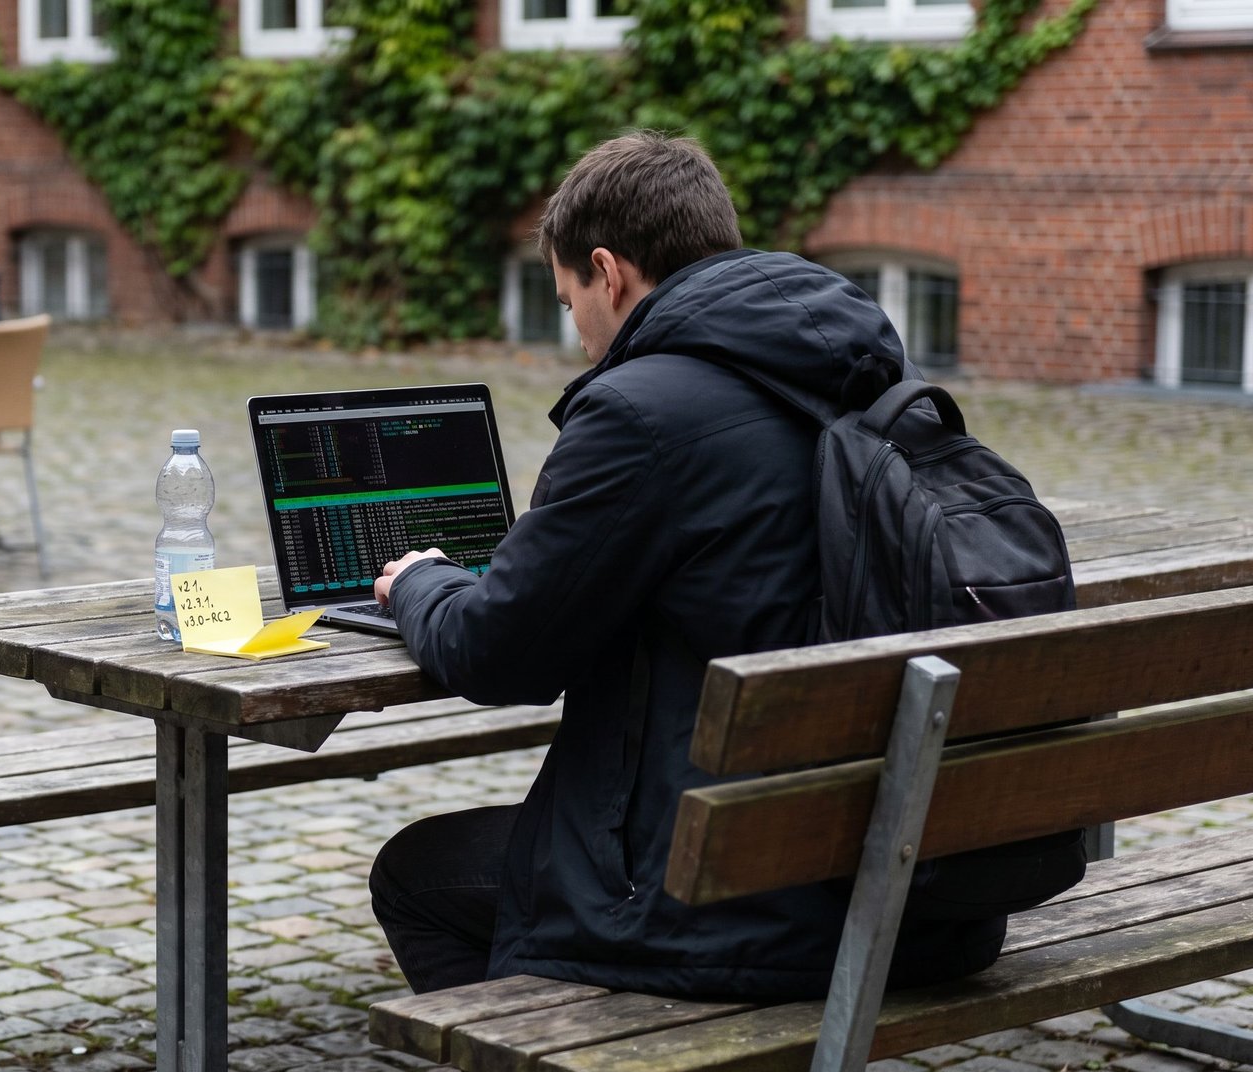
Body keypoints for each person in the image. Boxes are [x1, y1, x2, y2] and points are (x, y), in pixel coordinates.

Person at [367, 131, 1004, 1004]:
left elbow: (495, 653)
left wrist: (421, 584)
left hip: (741, 912)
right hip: (929, 892)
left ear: (609, 271)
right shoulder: (876, 377)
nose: (582, 339)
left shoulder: (636, 413)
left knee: (416, 873)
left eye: (568, 303)